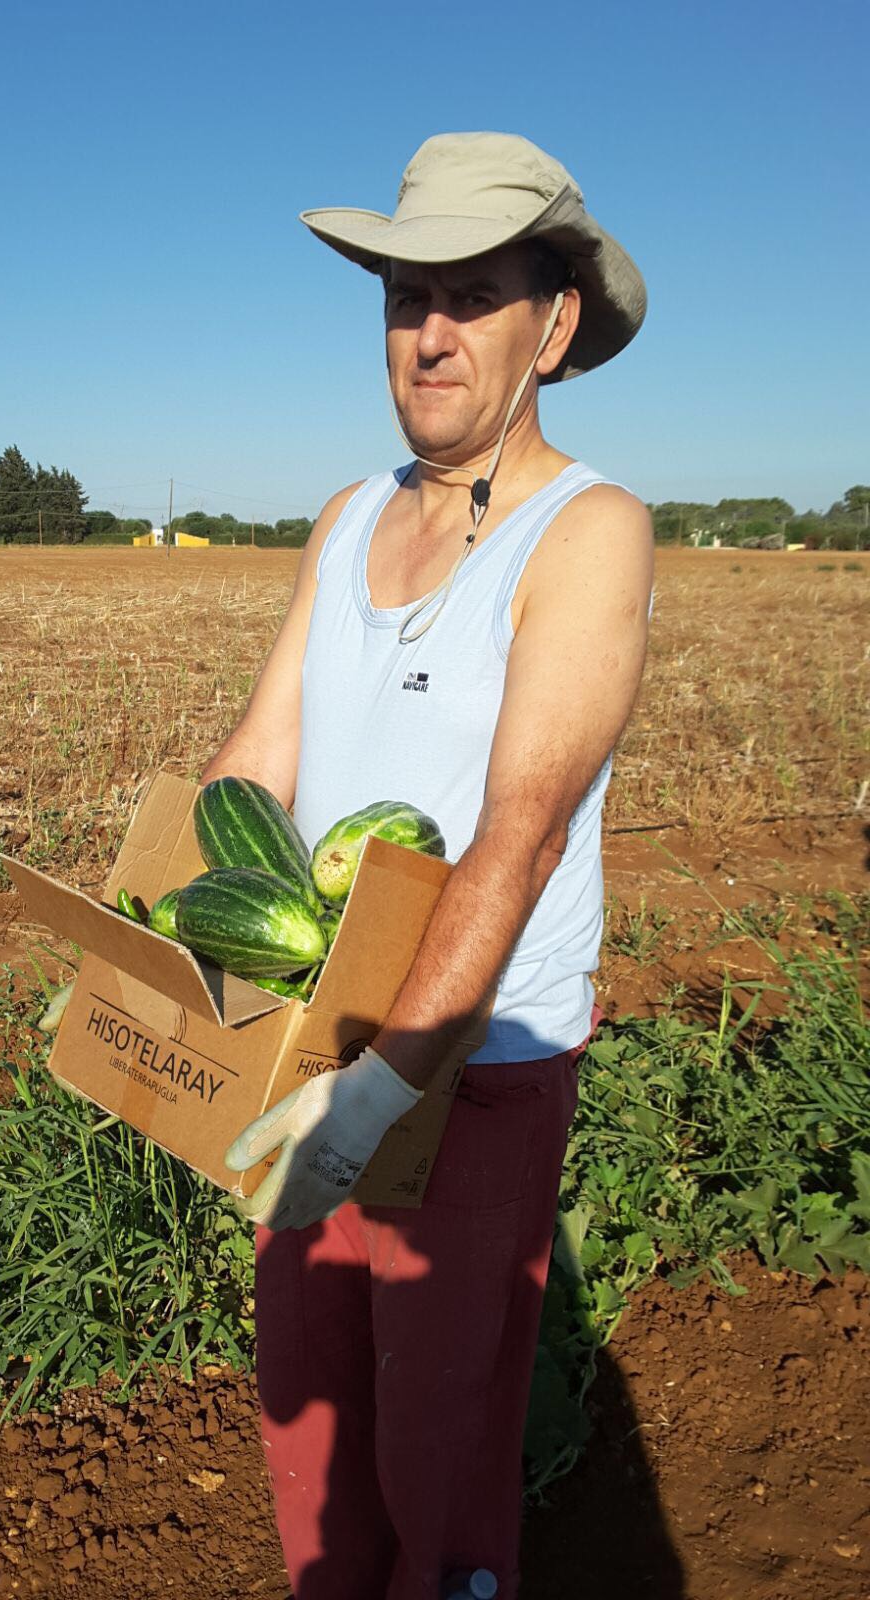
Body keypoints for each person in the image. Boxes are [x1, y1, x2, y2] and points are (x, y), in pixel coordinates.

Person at [203, 132, 653, 1600]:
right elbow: (256, 765)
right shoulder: (346, 520)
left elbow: (520, 829)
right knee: (313, 1424)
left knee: (438, 1441)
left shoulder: (586, 535)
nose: (431, 331)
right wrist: (169, 962)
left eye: (471, 295)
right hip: (314, 1037)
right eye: (406, 296)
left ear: (555, 324)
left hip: (475, 1059)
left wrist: (392, 1081)